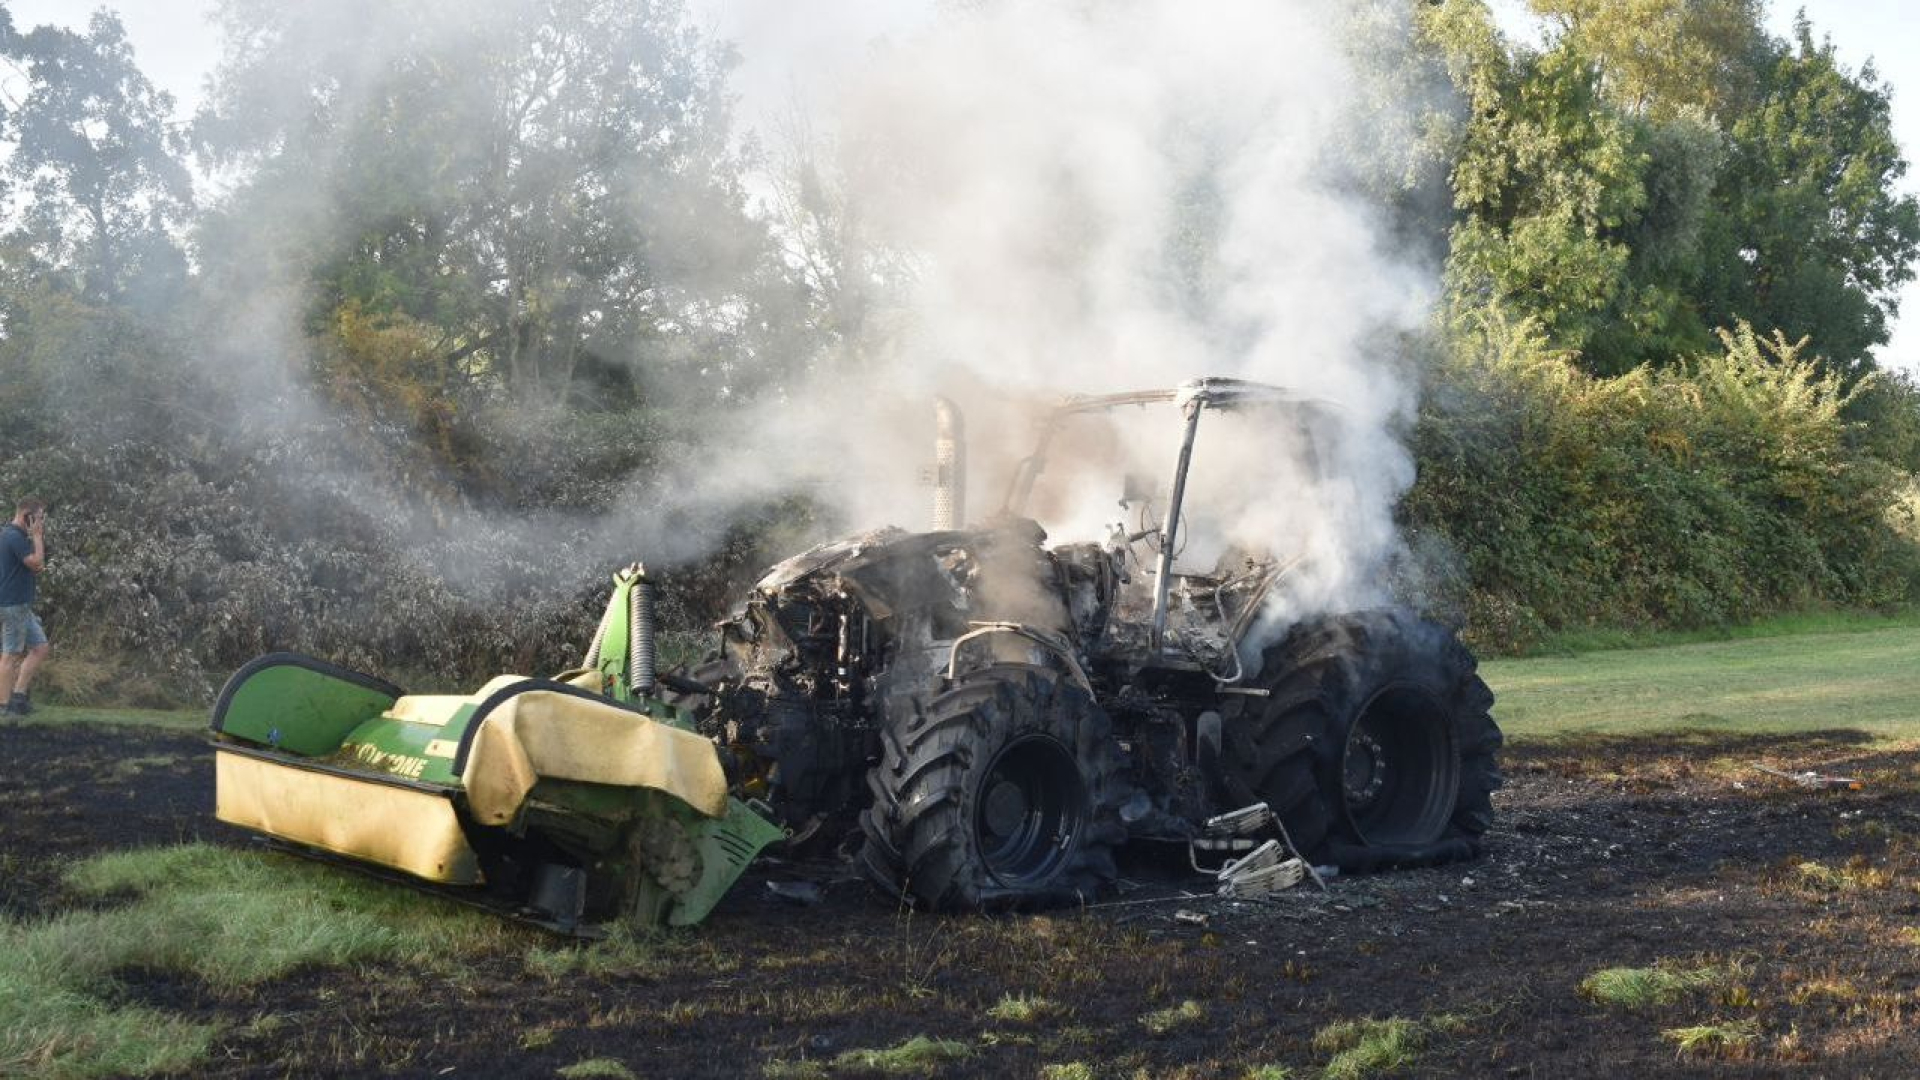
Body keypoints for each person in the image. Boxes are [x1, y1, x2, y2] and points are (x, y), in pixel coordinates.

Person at [0, 498, 49, 716]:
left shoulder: (18, 537)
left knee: (40, 648)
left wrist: (36, 559)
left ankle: (18, 697)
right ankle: (4, 705)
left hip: (21, 604)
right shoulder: (13, 536)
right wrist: (38, 537)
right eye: (39, 517)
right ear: (27, 515)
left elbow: (36, 566)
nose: (40, 521)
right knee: (10, 654)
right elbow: (37, 562)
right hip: (14, 603)